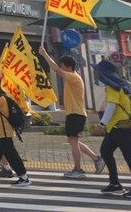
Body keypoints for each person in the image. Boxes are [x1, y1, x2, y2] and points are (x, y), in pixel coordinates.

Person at [38, 46, 105, 178]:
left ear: (68, 67)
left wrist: (45, 54)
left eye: (62, 65)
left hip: (76, 113)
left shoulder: (73, 77)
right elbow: (58, 69)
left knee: (73, 141)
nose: (61, 68)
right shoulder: (73, 77)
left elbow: (56, 69)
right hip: (75, 113)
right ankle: (96, 159)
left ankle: (78, 169)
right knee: (72, 140)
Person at [90, 60, 131, 195]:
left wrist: (101, 125)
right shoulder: (118, 84)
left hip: (121, 127)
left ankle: (115, 183)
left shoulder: (113, 87)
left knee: (128, 156)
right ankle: (114, 183)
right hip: (116, 127)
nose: (97, 74)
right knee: (105, 151)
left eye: (98, 71)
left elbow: (112, 107)